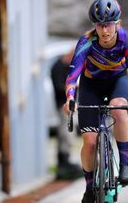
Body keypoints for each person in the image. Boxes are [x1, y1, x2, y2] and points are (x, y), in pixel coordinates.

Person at [62, 0, 128, 203]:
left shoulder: (127, 40)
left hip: (118, 81)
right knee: (89, 142)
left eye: (108, 25)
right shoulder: (86, 42)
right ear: (94, 26)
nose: (104, 30)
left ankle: (125, 165)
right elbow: (72, 76)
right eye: (99, 25)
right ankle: (90, 187)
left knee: (119, 108)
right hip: (91, 86)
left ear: (117, 23)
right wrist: (70, 98)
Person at [50, 49, 82, 180]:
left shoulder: (69, 67)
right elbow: (59, 87)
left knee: (69, 133)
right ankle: (63, 163)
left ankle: (66, 160)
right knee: (65, 133)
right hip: (63, 105)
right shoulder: (58, 67)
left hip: (72, 105)